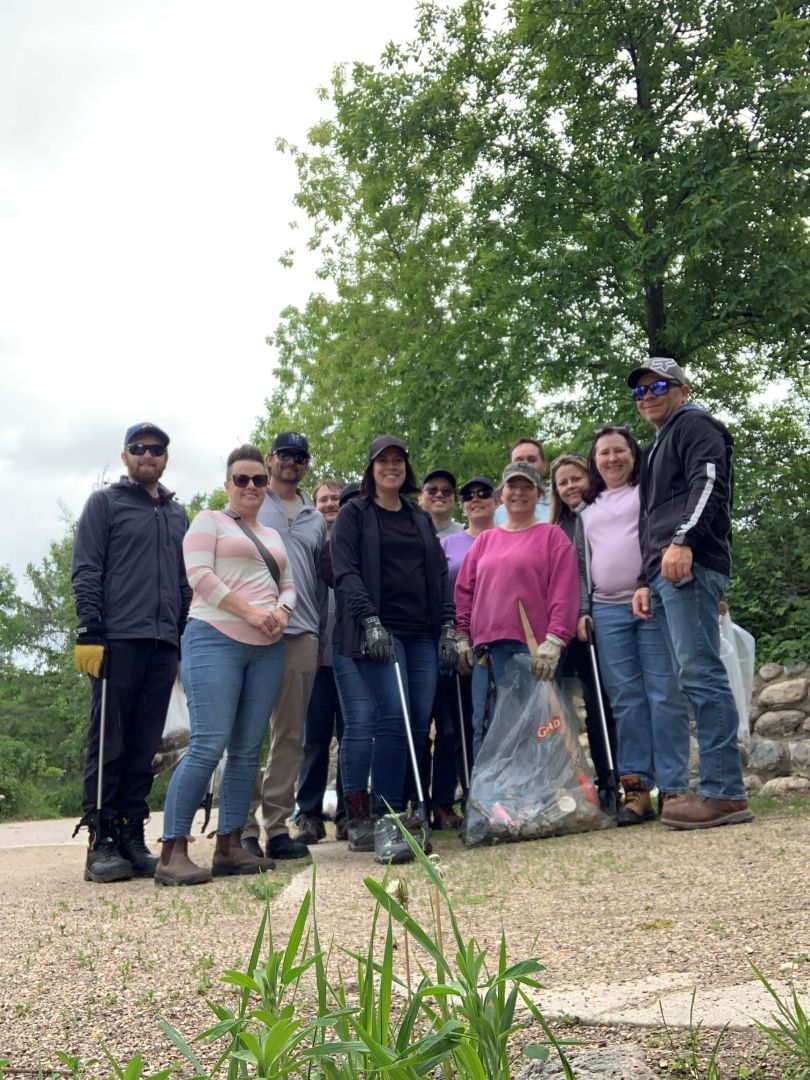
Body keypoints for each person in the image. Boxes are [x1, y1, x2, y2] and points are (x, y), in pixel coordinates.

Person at [155, 445, 295, 885]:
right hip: (214, 638)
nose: (251, 486)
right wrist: (252, 613)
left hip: (268, 648)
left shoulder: (273, 536)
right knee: (208, 743)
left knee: (248, 749)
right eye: (241, 479)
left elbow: (289, 586)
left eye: (258, 480)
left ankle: (230, 845)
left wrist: (283, 614)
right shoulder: (208, 522)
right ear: (227, 485)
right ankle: (172, 851)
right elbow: (200, 577)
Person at [629, 356, 754, 829]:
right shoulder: (661, 442)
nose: (648, 396)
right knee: (691, 675)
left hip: (690, 563)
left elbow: (709, 485)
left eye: (658, 386)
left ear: (682, 388)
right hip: (666, 572)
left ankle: (725, 793)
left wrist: (683, 541)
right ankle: (720, 789)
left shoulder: (695, 424)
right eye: (640, 391)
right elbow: (651, 520)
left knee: (701, 675)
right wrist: (645, 578)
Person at [71, 422, 191, 883]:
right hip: (116, 638)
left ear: (165, 458)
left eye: (157, 449)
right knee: (110, 740)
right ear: (125, 456)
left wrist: (183, 635)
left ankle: (130, 832)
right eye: (139, 448)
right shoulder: (106, 503)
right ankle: (100, 839)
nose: (148, 455)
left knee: (146, 745)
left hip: (163, 642)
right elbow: (86, 567)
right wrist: (89, 630)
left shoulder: (178, 514)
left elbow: (183, 581)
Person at [331, 435, 457, 864]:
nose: (391, 467)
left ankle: (408, 813)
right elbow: (345, 572)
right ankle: (387, 821)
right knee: (391, 717)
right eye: (382, 461)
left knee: (417, 723)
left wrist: (447, 627)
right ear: (370, 469)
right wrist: (369, 620)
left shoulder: (419, 517)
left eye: (398, 460)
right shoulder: (354, 515)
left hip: (421, 633)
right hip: (376, 633)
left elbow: (440, 576)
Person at [578, 428, 690, 825]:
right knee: (625, 700)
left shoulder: (649, 491)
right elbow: (580, 564)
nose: (612, 459)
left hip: (653, 600)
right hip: (606, 611)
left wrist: (648, 582)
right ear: (595, 461)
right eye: (604, 453)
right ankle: (636, 789)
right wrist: (583, 608)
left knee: (665, 693)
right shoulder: (585, 508)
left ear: (633, 454)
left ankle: (675, 788)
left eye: (619, 451)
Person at [242, 432, 327, 861]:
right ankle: (240, 825)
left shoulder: (316, 518)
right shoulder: (252, 501)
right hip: (253, 628)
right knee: (246, 731)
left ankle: (276, 828)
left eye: (300, 457)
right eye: (285, 455)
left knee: (290, 737)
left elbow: (321, 580)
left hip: (302, 631)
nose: (291, 462)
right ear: (271, 459)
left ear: (305, 465)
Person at [455, 462, 579, 757]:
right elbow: (464, 591)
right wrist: (461, 635)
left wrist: (556, 639)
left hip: (535, 650)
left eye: (527, 487)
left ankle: (537, 798)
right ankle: (490, 798)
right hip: (488, 650)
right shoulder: (486, 540)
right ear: (502, 493)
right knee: (488, 724)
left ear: (539, 493)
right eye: (513, 486)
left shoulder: (552, 537)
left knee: (537, 725)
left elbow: (565, 592)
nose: (519, 493)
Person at [548, 454, 618, 806]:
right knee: (571, 706)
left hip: (599, 617)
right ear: (556, 491)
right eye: (563, 482)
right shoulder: (556, 530)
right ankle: (587, 785)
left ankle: (616, 779)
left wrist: (587, 611)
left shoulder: (598, 516)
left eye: (576, 478)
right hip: (567, 626)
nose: (571, 486)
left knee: (605, 701)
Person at [435, 476, 498, 813]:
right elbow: (443, 594)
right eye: (469, 495)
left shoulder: (507, 536)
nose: (476, 499)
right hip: (463, 642)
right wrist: (454, 636)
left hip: (502, 638)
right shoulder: (448, 545)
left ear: (496, 500)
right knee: (462, 723)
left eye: (484, 493)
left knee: (503, 718)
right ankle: (470, 795)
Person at [292, 479, 347, 845]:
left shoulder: (354, 542)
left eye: (335, 499)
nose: (330, 504)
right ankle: (308, 813)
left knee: (352, 738)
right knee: (313, 739)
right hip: (315, 655)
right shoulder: (307, 543)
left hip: (349, 657)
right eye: (323, 499)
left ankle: (348, 812)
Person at [331, 481, 378, 854]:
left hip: (392, 637)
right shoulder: (331, 549)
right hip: (349, 641)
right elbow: (336, 576)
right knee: (358, 723)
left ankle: (386, 805)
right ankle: (355, 811)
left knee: (389, 722)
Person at [493, 439, 551, 524]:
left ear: (544, 466)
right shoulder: (497, 515)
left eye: (531, 459)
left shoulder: (560, 504)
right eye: (518, 460)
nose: (525, 465)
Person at [418, 470, 464, 538]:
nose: (439, 494)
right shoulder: (405, 531)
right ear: (420, 498)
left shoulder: (469, 536)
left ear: (455, 500)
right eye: (432, 489)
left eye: (447, 491)